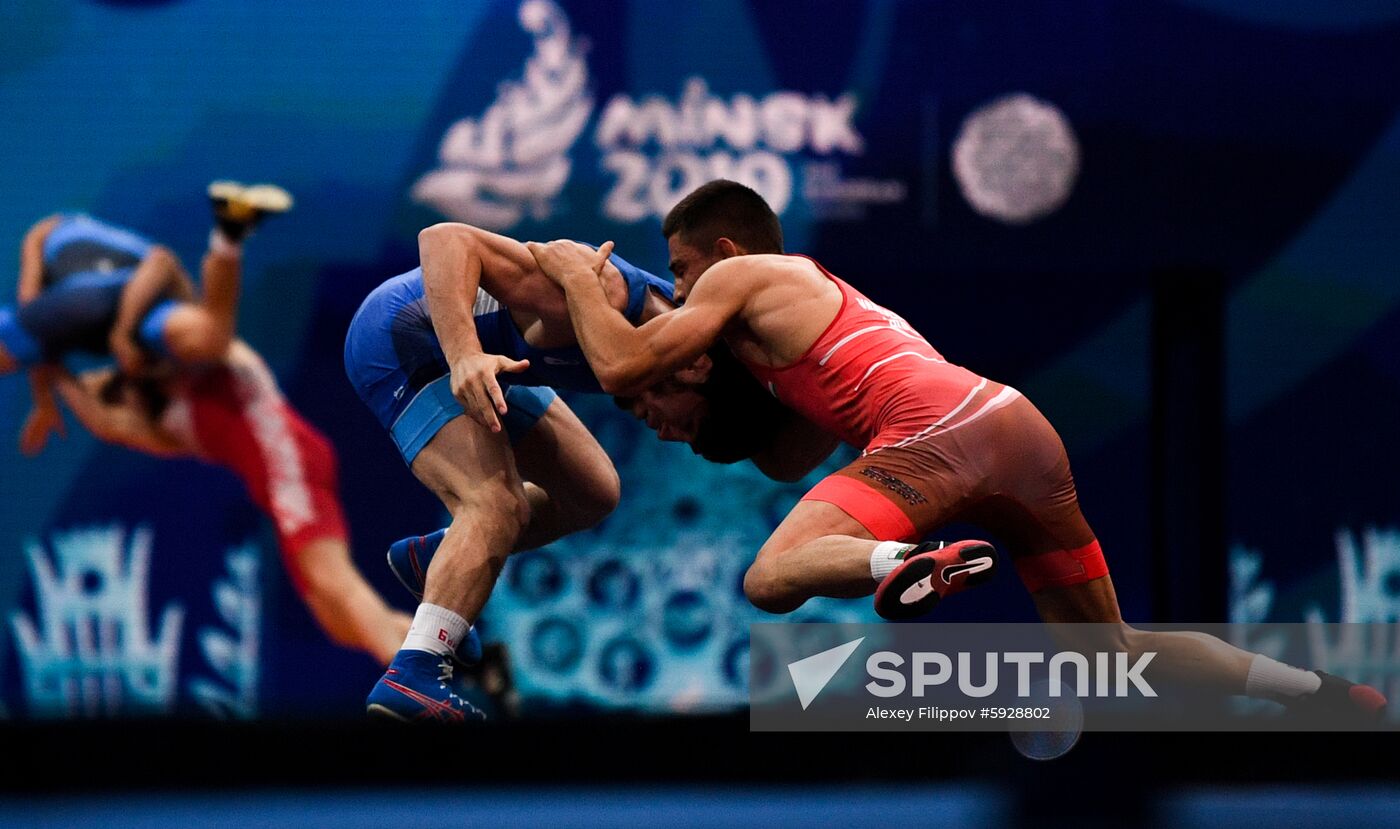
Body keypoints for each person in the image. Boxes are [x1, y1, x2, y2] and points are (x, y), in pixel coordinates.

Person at [523, 179, 1386, 721]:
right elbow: (785, 461)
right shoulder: (804, 322)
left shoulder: (739, 278)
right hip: (1017, 427)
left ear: (724, 251)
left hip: (941, 434)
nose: (677, 290)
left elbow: (625, 362)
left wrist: (573, 275)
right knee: (1112, 652)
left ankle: (908, 562)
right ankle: (1324, 695)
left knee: (767, 578)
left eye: (679, 269)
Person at [345, 224, 685, 721]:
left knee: (593, 491)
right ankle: (414, 672)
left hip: (494, 360)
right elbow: (445, 239)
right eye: (679, 421)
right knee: (497, 505)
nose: (666, 433)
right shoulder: (602, 291)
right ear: (694, 370)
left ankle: (438, 556)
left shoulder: (658, 343)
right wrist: (464, 354)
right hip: (405, 331)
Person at [1, 183, 293, 454]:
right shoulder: (164, 336)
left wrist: (45, 399)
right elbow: (161, 261)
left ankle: (228, 236)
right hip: (118, 281)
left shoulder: (127, 374)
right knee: (211, 339)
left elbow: (37, 330)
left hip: (90, 280)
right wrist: (122, 333)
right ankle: (228, 237)